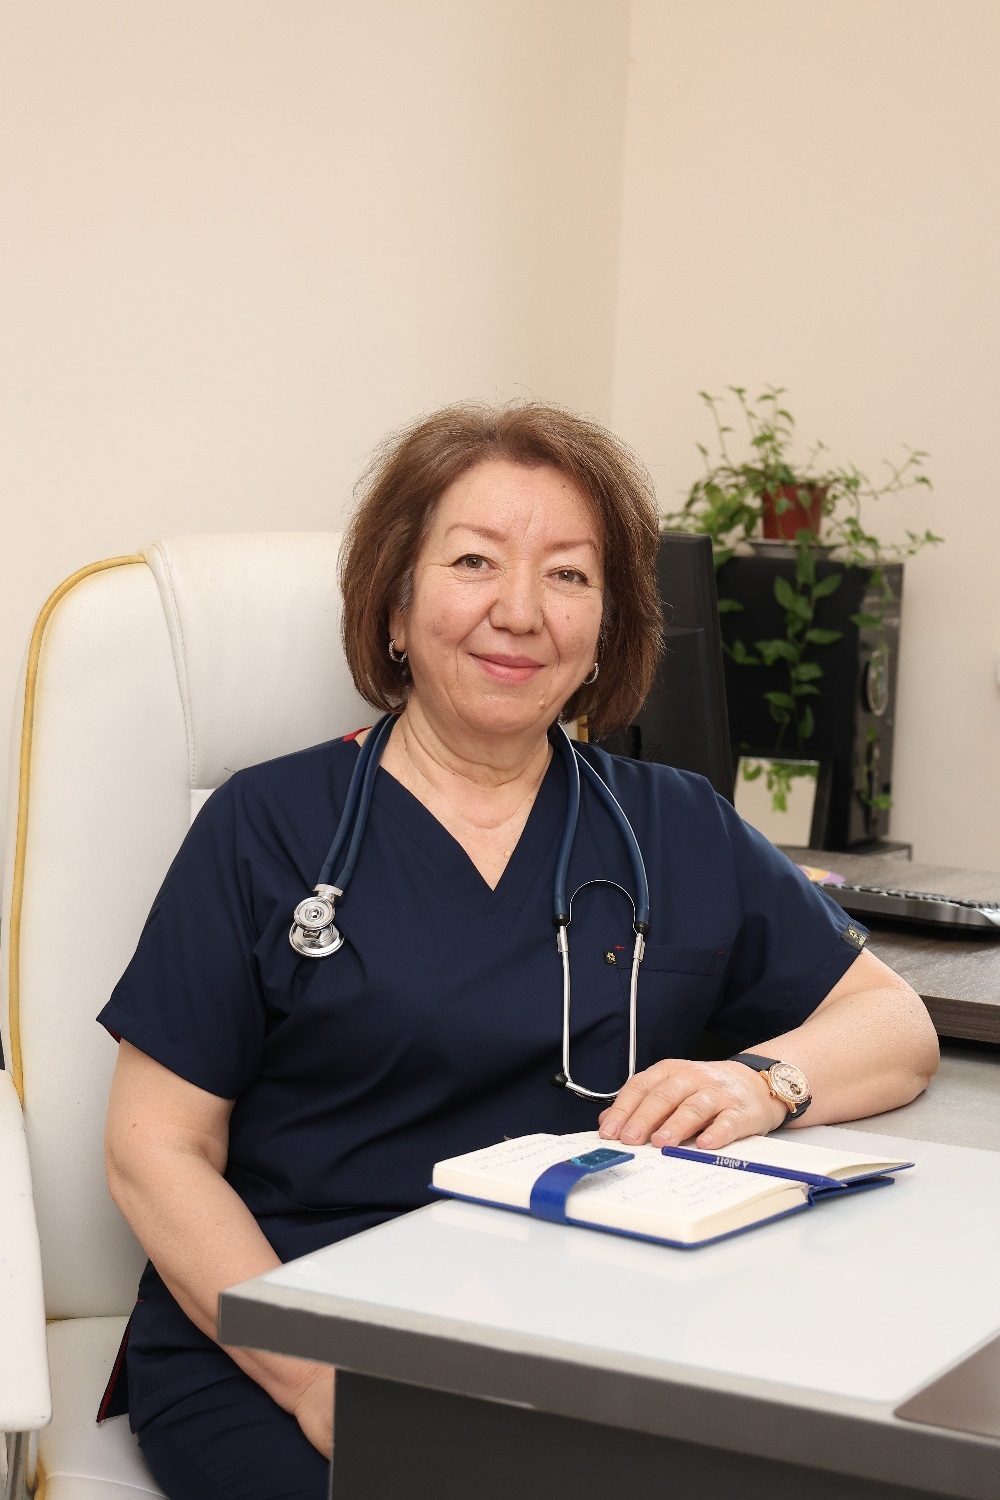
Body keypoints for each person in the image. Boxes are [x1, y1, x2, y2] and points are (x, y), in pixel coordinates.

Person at [99, 402, 939, 1500]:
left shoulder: (674, 825)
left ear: (606, 630)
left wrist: (759, 1083)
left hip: (584, 1330)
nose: (520, 611)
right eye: (473, 562)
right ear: (395, 607)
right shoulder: (267, 826)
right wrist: (312, 1377)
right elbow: (153, 1150)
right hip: (295, 1324)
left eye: (568, 575)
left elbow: (895, 1026)